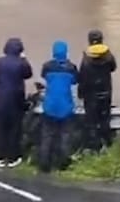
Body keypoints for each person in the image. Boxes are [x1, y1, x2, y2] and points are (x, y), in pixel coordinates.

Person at [0, 38, 33, 168]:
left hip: (0, 99)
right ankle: (13, 157)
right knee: (15, 129)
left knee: (0, 128)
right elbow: (28, 74)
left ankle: (0, 156)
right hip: (16, 100)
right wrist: (24, 59)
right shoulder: (22, 64)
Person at [39, 40, 79, 173]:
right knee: (65, 136)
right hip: (65, 106)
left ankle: (44, 165)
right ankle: (63, 164)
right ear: (66, 52)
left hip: (49, 105)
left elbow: (44, 77)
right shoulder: (71, 67)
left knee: (47, 136)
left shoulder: (47, 66)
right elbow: (75, 81)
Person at [78, 29, 116, 152]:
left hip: (91, 95)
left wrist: (80, 93)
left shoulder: (86, 58)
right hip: (106, 92)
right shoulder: (108, 55)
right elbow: (113, 68)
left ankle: (94, 147)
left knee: (91, 121)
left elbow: (82, 77)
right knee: (105, 119)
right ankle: (108, 143)